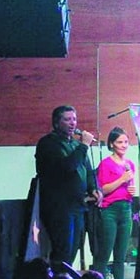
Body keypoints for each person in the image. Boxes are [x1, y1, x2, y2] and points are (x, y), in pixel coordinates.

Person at [35, 105, 100, 269]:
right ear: (57, 123)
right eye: (67, 119)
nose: (72, 123)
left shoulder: (75, 144)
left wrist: (93, 188)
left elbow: (87, 170)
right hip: (59, 207)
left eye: (74, 119)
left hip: (77, 205)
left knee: (73, 250)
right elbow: (67, 167)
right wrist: (84, 146)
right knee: (62, 251)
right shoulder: (48, 144)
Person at [92, 126, 136, 279]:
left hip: (126, 210)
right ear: (111, 144)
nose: (123, 145)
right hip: (110, 210)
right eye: (119, 142)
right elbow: (103, 189)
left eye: (126, 142)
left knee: (121, 254)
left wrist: (131, 189)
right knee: (104, 253)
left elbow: (129, 187)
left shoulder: (130, 164)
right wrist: (122, 179)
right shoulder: (106, 164)